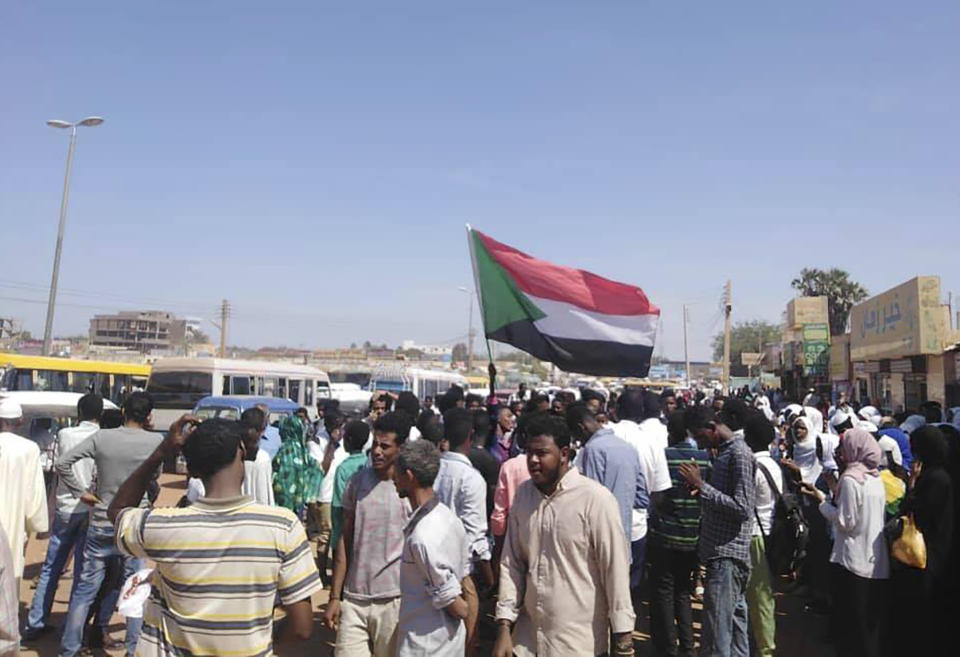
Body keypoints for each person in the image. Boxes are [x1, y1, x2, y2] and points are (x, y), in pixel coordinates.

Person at [109, 416, 321, 656]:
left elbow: (117, 512)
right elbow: (302, 628)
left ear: (192, 470)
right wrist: (254, 640)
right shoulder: (283, 526)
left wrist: (162, 451)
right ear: (241, 450)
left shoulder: (164, 525)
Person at [494, 414, 635, 657]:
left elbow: (615, 572)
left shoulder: (595, 500)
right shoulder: (524, 496)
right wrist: (505, 625)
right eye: (529, 453)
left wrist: (623, 642)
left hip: (577, 645)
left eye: (542, 453)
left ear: (564, 454)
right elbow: (512, 564)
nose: (533, 461)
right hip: (528, 643)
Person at [56, 391, 160, 657]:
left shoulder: (103, 437)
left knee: (84, 592)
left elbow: (63, 463)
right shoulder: (155, 441)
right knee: (135, 593)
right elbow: (154, 478)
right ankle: (132, 649)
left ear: (123, 411)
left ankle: (69, 649)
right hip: (135, 526)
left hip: (102, 521)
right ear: (148, 416)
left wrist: (81, 492)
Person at [324, 412, 412, 656]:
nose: (377, 451)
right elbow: (344, 539)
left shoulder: (409, 491)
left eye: (385, 446)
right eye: (375, 444)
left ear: (401, 448)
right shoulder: (357, 483)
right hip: (354, 599)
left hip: (394, 601)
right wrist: (334, 596)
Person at [677, 401, 756, 657]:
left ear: (713, 427)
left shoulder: (739, 454)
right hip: (722, 557)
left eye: (701, 437)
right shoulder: (723, 453)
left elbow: (743, 508)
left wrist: (703, 486)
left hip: (727, 558)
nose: (699, 444)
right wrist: (702, 490)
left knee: (717, 635)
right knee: (734, 630)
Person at [800, 428, 887, 657]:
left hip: (852, 560)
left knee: (851, 626)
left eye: (843, 447)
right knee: (867, 626)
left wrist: (821, 501)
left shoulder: (850, 479)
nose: (839, 453)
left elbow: (845, 522)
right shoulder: (874, 478)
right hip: (874, 561)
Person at [23, 393, 103, 640]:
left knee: (51, 568)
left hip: (64, 508)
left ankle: (35, 622)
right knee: (81, 573)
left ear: (79, 413)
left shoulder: (65, 435)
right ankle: (71, 627)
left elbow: (59, 467)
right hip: (89, 510)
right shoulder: (102, 438)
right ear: (99, 414)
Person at [392, 440, 469, 656]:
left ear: (409, 476)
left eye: (397, 474)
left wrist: (467, 611)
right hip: (444, 643)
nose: (393, 479)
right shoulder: (447, 517)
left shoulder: (423, 537)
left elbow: (456, 604)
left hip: (426, 647)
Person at [887, 425, 954, 655]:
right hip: (934, 552)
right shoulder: (940, 474)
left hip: (927, 555)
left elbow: (920, 514)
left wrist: (913, 485)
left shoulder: (935, 478)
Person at [648, 411, 710, 657]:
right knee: (683, 592)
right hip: (693, 536)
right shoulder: (704, 458)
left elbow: (658, 496)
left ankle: (669, 648)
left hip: (665, 535)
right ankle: (687, 647)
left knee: (664, 592)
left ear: (671, 432)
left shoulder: (665, 456)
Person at [433, 408, 494, 655]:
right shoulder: (471, 479)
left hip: (430, 566)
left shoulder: (432, 469)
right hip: (460, 572)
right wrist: (490, 577)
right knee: (466, 642)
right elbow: (476, 536)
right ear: (470, 436)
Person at [568, 402, 648, 560]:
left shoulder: (593, 449)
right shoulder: (628, 448)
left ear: (581, 427)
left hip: (600, 542)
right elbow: (642, 497)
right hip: (624, 537)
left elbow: (591, 499)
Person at [612, 390, 672, 592]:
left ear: (616, 411)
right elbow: (660, 490)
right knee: (631, 585)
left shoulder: (603, 436)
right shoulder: (651, 442)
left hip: (603, 524)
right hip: (638, 524)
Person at [743, 412, 781, 657]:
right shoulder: (773, 464)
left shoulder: (753, 466)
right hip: (770, 533)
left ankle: (766, 649)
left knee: (759, 597)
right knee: (761, 595)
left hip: (756, 535)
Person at [330, 419, 371, 553]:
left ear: (349, 439)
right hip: (364, 531)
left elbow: (338, 505)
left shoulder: (343, 468)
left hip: (345, 531)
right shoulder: (369, 465)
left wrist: (336, 538)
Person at [272, 414, 323, 517]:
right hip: (298, 503)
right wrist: (309, 494)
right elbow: (318, 469)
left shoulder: (283, 450)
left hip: (281, 504)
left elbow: (273, 471)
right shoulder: (303, 452)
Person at [239, 406, 274, 505]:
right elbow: (264, 492)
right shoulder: (263, 458)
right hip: (260, 512)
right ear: (262, 431)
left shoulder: (234, 453)